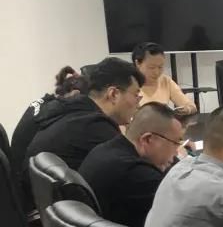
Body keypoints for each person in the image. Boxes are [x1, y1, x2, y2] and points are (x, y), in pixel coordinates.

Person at [21, 58, 144, 206]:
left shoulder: (72, 112)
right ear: (114, 94)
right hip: (55, 210)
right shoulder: (96, 127)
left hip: (45, 209)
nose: (138, 103)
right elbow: (138, 175)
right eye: (136, 95)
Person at [78, 103, 184, 227]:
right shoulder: (135, 173)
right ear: (148, 139)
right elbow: (185, 212)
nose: (177, 152)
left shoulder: (107, 149)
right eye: (176, 143)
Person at [10, 66, 89, 186]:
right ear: (75, 93)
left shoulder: (45, 102)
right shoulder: (54, 111)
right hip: (24, 180)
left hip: (19, 175)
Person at [132, 42, 197, 116]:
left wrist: (186, 110)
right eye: (151, 67)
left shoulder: (165, 81)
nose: (157, 72)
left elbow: (191, 106)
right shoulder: (128, 84)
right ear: (138, 63)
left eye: (160, 67)